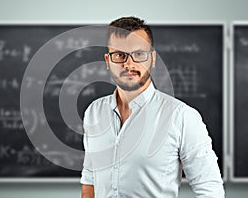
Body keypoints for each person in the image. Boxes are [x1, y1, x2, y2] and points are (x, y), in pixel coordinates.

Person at [80, 16, 225, 198]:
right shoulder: (94, 112)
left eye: (139, 54)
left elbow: (210, 190)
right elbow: (90, 179)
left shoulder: (181, 117)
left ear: (153, 59)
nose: (129, 64)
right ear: (108, 61)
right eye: (119, 55)